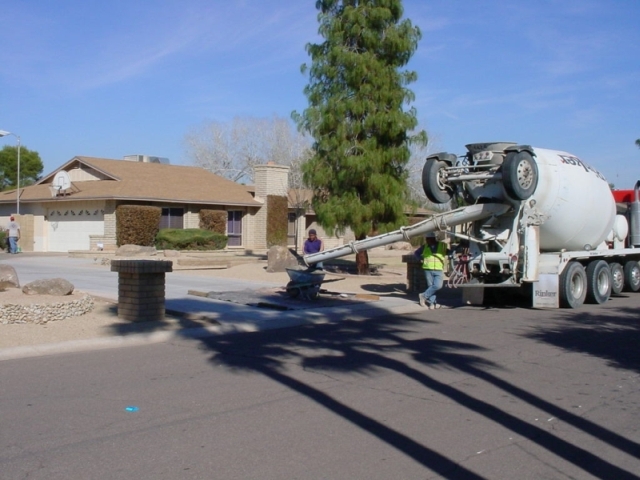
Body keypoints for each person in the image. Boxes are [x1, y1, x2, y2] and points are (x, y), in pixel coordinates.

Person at [414, 232, 448, 309]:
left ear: (433, 239)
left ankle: (423, 296)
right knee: (431, 286)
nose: (427, 240)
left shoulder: (441, 245)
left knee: (438, 286)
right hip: (427, 269)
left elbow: (448, 251)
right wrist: (420, 259)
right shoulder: (424, 247)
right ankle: (432, 304)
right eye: (427, 239)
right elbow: (416, 253)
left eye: (428, 239)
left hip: (438, 269)